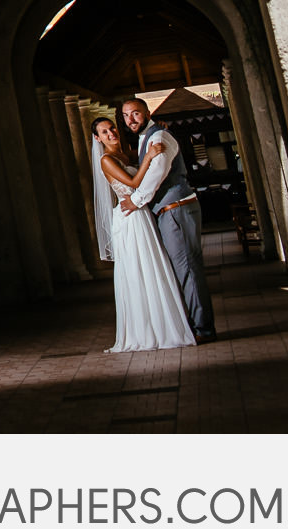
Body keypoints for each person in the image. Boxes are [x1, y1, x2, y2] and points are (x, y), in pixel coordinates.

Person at [117, 94, 217, 343]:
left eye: (136, 113)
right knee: (184, 270)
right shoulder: (146, 138)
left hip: (176, 209)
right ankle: (196, 324)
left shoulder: (159, 137)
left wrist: (136, 201)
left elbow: (157, 174)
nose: (130, 119)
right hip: (169, 211)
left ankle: (203, 329)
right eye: (126, 115)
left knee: (189, 271)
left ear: (147, 113)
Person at [93, 116, 197, 352]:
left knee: (155, 267)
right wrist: (149, 158)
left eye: (112, 129)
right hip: (129, 217)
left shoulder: (127, 154)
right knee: (140, 271)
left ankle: (165, 323)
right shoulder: (106, 160)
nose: (111, 134)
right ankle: (147, 330)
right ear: (97, 138)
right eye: (104, 132)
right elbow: (134, 182)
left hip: (142, 214)